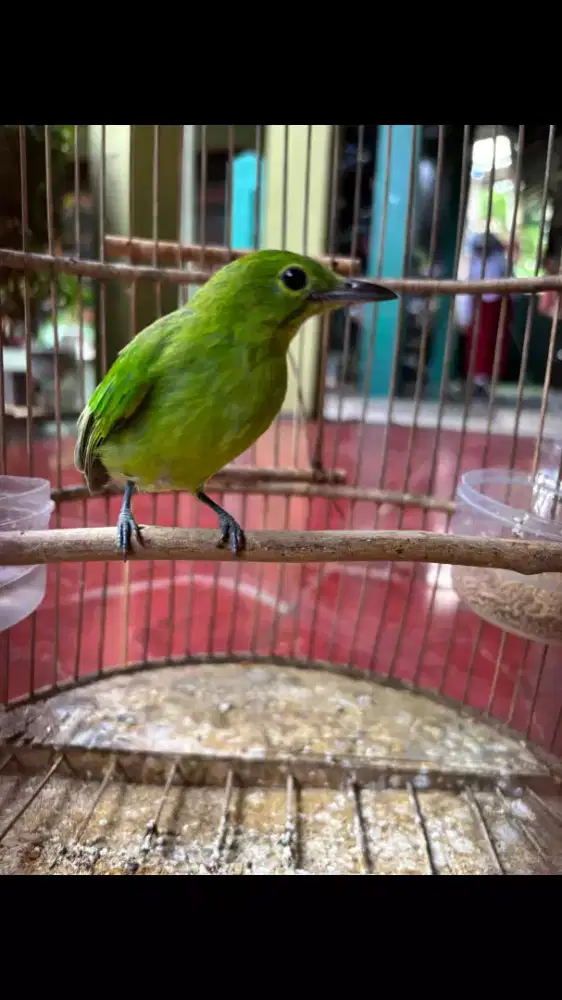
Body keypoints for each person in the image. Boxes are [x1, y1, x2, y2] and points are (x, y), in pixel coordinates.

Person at [457, 232, 513, 400]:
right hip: (479, 307)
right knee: (476, 343)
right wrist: (465, 316)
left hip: (496, 308)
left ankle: (486, 381)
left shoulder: (500, 262)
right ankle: (475, 380)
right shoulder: (473, 262)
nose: (483, 250)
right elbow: (468, 291)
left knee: (494, 344)